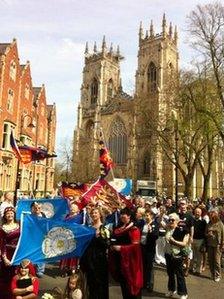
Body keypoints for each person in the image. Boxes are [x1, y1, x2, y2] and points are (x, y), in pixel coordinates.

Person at [109, 207, 143, 299]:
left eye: (124, 216)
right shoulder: (119, 228)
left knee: (131, 287)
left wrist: (121, 248)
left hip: (131, 263)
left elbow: (136, 247)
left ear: (129, 217)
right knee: (124, 287)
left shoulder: (134, 229)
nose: (122, 218)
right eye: (121, 217)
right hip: (120, 261)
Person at [80, 207, 110, 299]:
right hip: (89, 259)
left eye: (96, 213)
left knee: (99, 283)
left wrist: (98, 237)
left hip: (99, 260)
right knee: (90, 283)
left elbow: (107, 244)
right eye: (92, 213)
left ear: (100, 215)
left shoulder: (104, 228)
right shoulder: (89, 228)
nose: (93, 215)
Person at [164, 213, 189, 299]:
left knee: (179, 274)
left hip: (177, 255)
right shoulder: (167, 228)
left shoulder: (182, 231)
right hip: (168, 254)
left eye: (173, 220)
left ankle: (183, 293)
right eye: (169, 220)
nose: (171, 221)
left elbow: (184, 244)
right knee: (170, 273)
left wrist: (174, 241)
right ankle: (171, 290)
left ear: (177, 221)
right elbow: (160, 221)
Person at [0, 206, 20, 299]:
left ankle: (18, 294)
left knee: (19, 275)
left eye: (11, 213)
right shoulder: (2, 228)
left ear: (14, 214)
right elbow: (2, 243)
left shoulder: (20, 225)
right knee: (6, 276)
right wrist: (4, 258)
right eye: (7, 213)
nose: (10, 214)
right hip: (7, 254)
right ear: (4, 216)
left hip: (18, 253)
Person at [141, 210, 159, 292]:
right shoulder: (143, 224)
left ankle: (150, 284)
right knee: (144, 266)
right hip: (143, 248)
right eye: (145, 215)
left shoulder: (154, 224)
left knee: (150, 267)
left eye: (147, 215)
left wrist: (151, 230)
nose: (146, 217)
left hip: (150, 249)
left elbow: (155, 236)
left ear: (151, 216)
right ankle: (144, 283)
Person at [60, 202, 80, 277]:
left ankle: (73, 269)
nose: (72, 208)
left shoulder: (79, 217)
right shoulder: (67, 216)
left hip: (75, 237)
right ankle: (65, 269)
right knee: (65, 254)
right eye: (71, 207)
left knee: (73, 255)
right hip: (65, 238)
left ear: (77, 209)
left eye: (74, 207)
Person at [206, 208, 224, 282]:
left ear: (216, 214)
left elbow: (223, 235)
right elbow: (205, 233)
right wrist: (208, 234)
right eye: (210, 213)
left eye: (212, 213)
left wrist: (223, 244)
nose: (211, 214)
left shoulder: (220, 224)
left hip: (217, 245)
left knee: (217, 261)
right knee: (210, 260)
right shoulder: (209, 223)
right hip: (210, 244)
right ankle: (212, 274)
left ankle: (217, 275)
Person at [30, 202, 46, 277]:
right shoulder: (29, 216)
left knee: (41, 253)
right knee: (32, 252)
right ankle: (32, 268)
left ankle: (40, 270)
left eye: (39, 208)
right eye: (35, 208)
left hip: (41, 236)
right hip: (32, 237)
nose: (37, 209)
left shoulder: (43, 215)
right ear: (32, 208)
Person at [191, 207, 207, 275]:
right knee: (192, 255)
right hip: (192, 239)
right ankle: (192, 268)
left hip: (200, 240)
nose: (197, 213)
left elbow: (205, 232)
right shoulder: (192, 220)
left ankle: (198, 270)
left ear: (201, 213)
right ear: (194, 212)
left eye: (198, 212)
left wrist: (204, 242)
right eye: (196, 212)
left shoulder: (203, 221)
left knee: (199, 256)